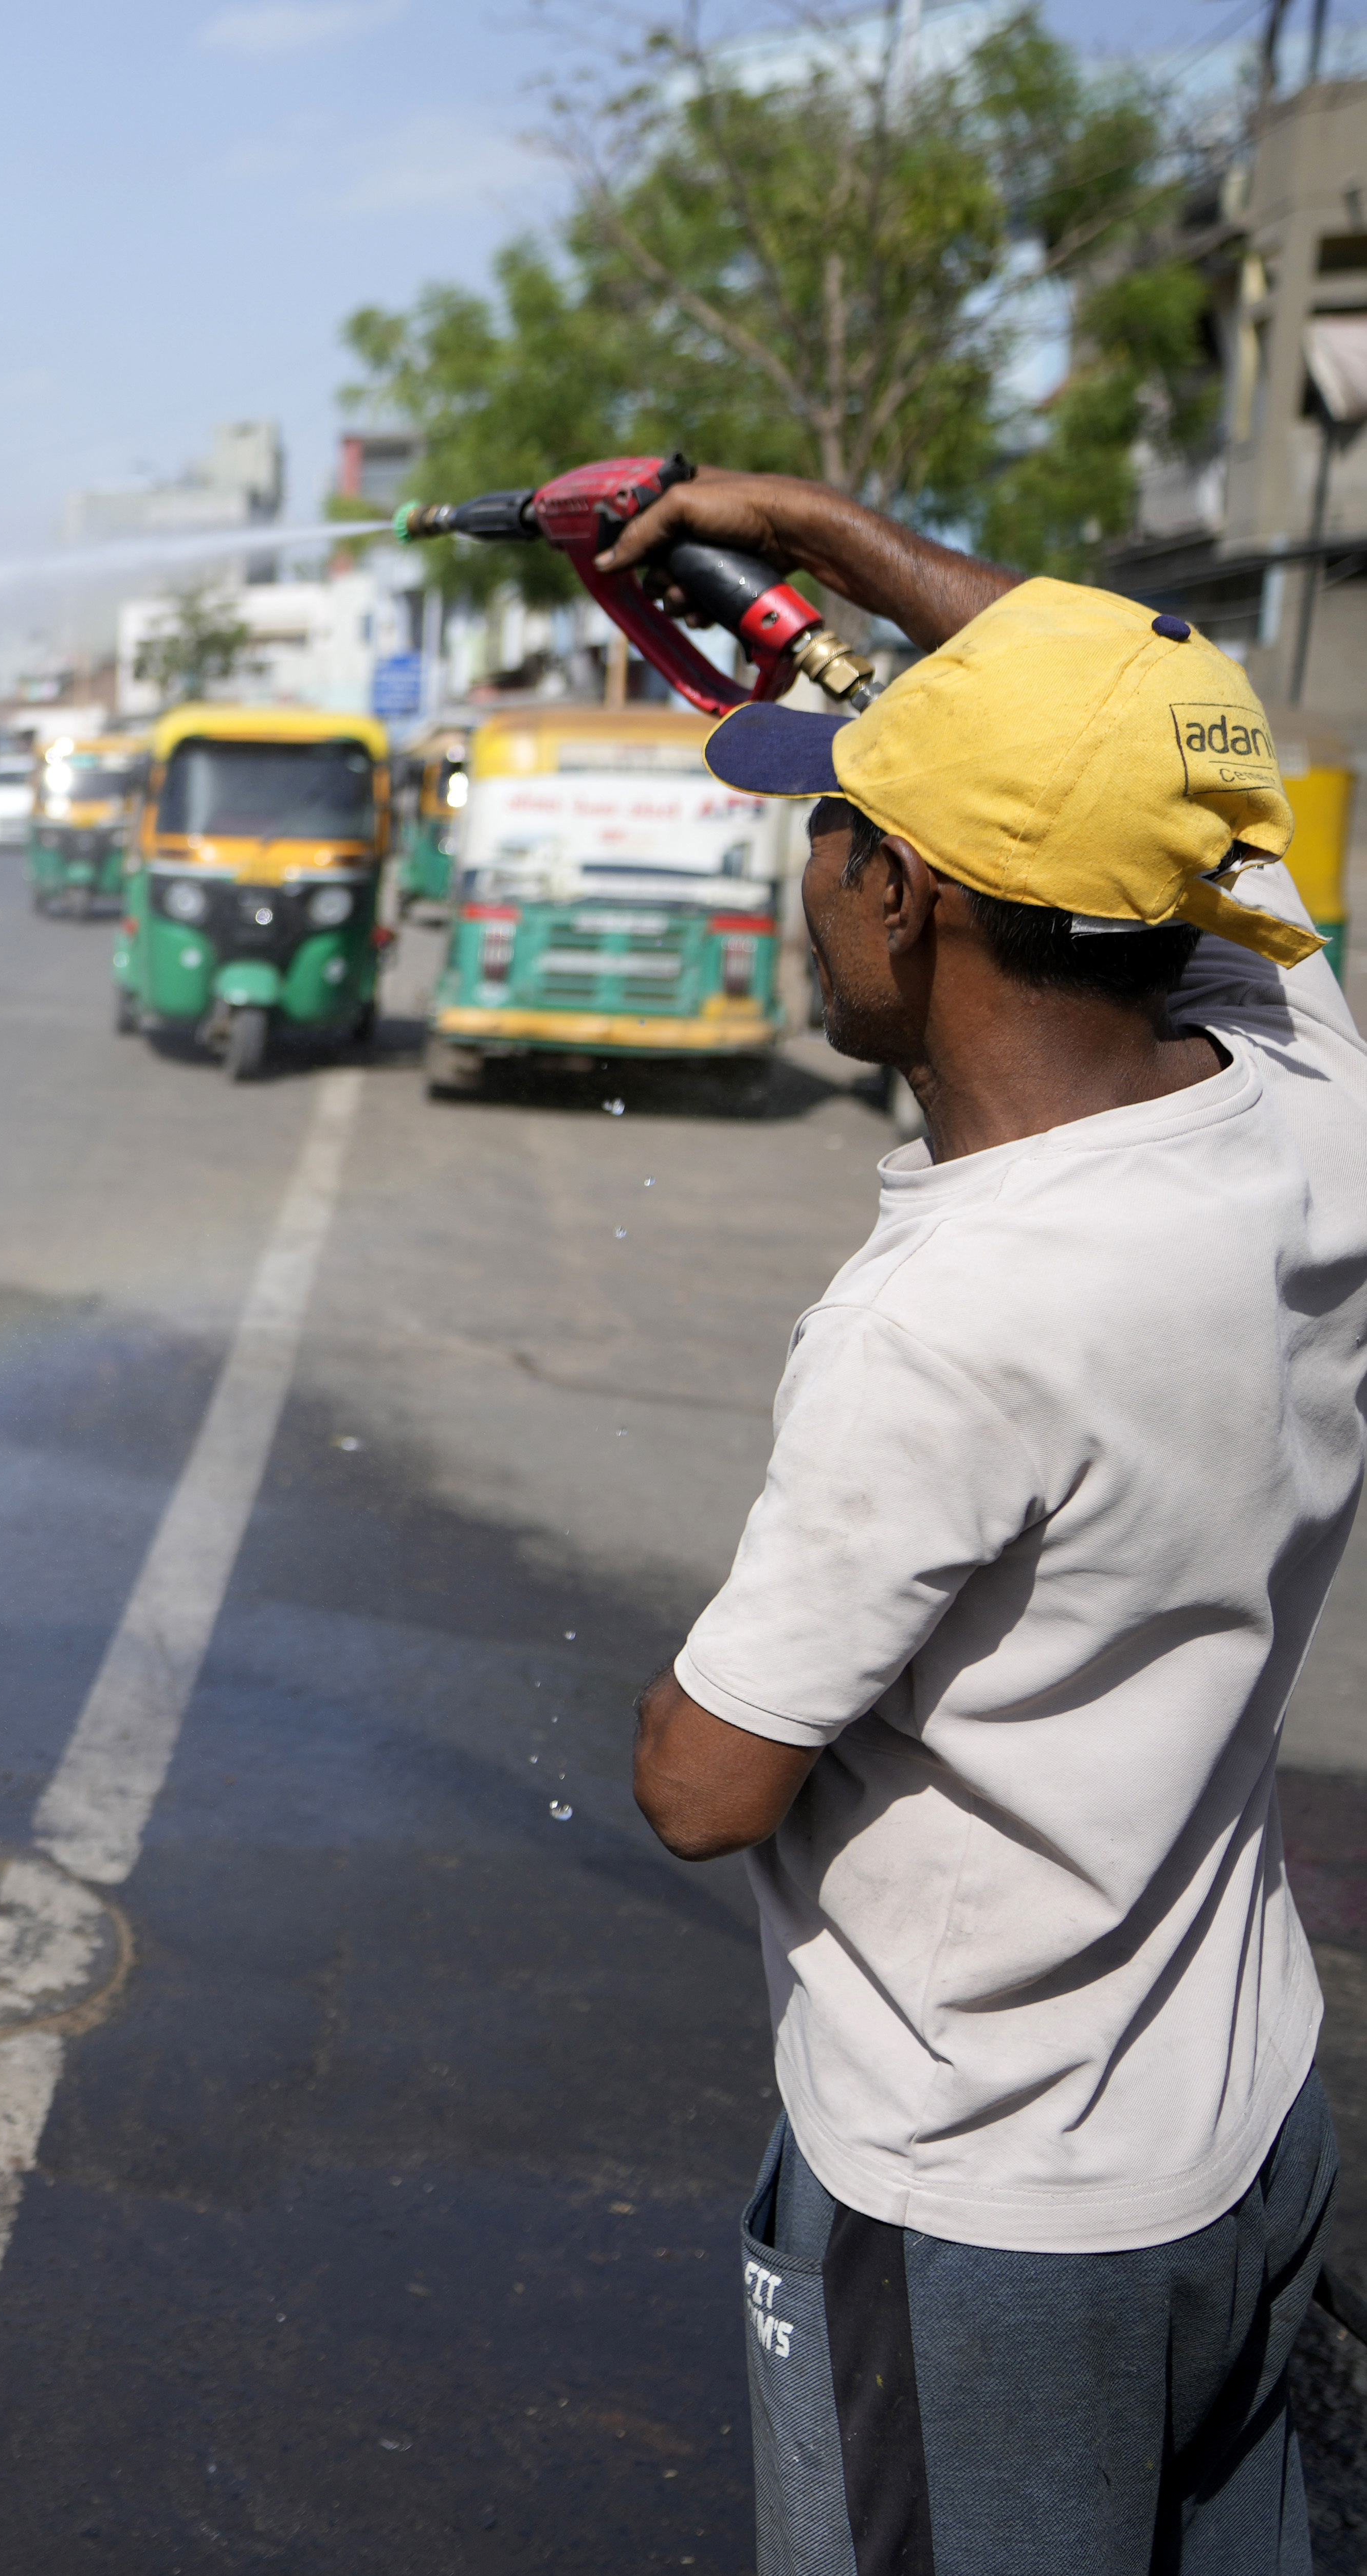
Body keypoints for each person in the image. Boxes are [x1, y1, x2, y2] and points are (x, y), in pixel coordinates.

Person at [612, 470, 1364, 2572]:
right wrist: (800, 540)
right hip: (1238, 2131)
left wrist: (666, 1696)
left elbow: (702, 1783)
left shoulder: (951, 1325)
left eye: (826, 824)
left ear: (903, 895)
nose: (804, 867)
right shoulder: (1306, 1086)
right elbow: (1149, 711)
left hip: (991, 2211)